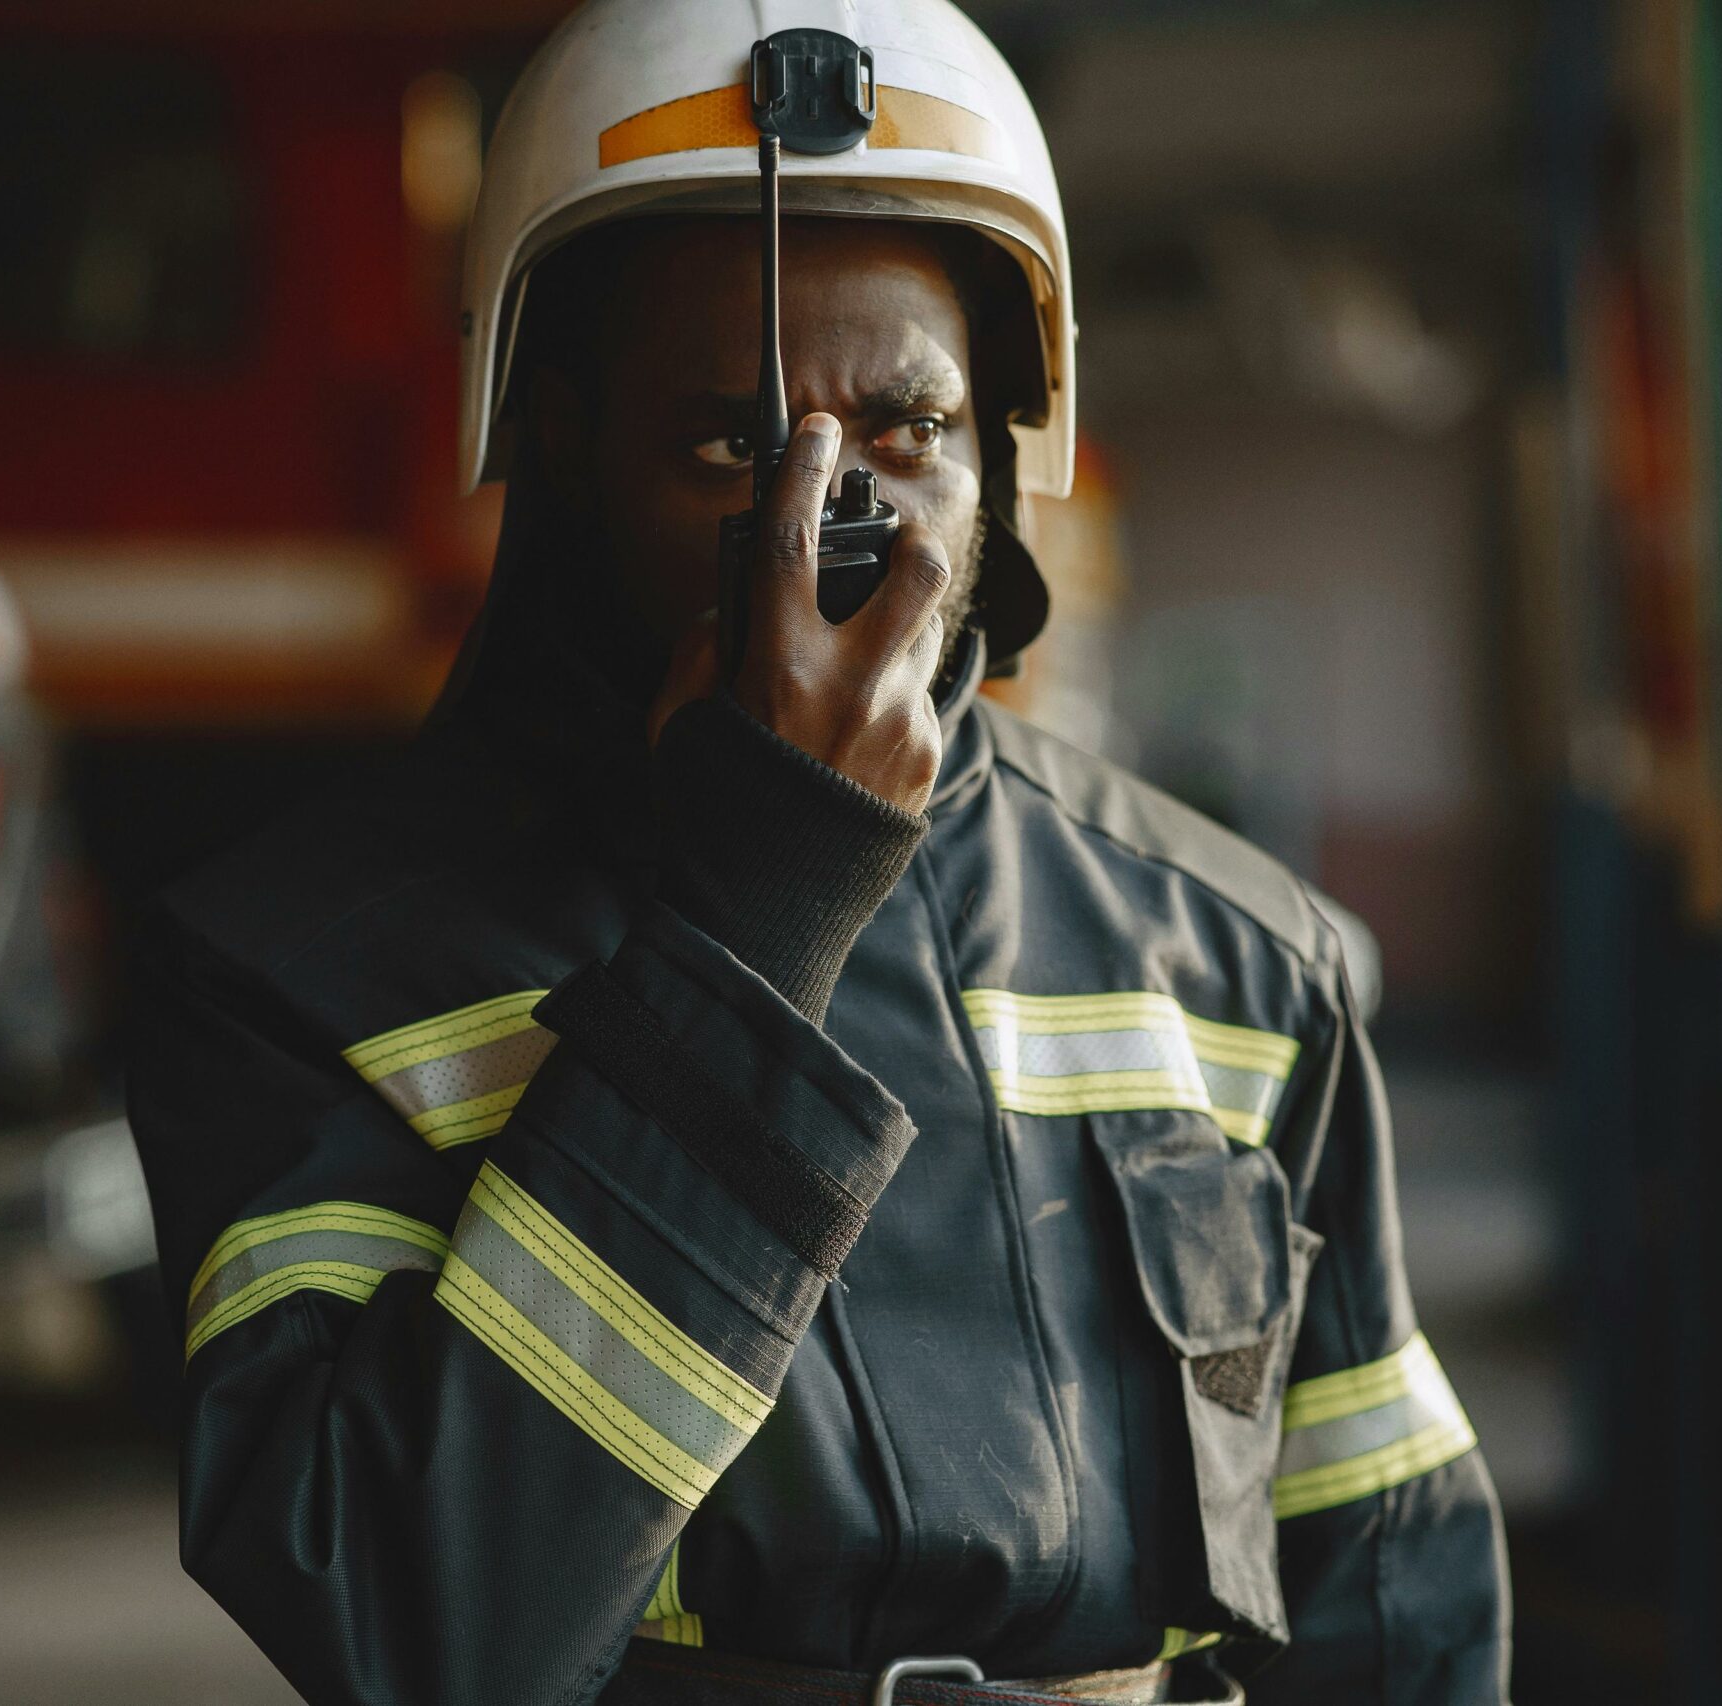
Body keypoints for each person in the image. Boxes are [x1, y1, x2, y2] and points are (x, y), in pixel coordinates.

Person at [125, 3, 1510, 1703]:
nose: (835, 513)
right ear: (556, 449)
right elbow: (423, 1634)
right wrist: (757, 921)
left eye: (910, 432)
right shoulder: (294, 973)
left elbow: (1396, 1596)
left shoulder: (1236, 954)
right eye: (734, 444)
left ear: (1005, 446)